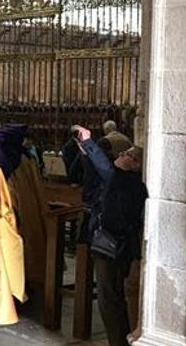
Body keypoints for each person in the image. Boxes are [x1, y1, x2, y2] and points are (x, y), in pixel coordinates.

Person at [72, 125, 147, 346]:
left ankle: (118, 341)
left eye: (127, 154)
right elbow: (97, 174)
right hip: (108, 244)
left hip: (114, 247)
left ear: (135, 165)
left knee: (110, 300)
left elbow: (105, 169)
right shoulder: (120, 179)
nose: (121, 154)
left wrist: (89, 143)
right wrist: (85, 149)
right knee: (110, 299)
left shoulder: (128, 182)